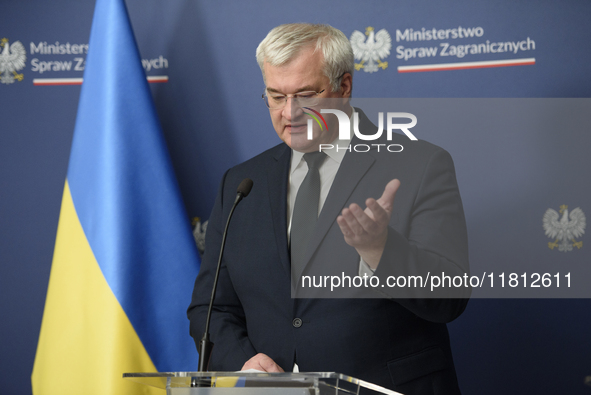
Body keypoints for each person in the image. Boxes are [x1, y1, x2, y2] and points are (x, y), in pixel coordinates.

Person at [188, 23, 469, 395]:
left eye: (306, 94)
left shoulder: (418, 164)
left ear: (344, 87)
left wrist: (379, 250)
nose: (290, 112)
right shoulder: (241, 184)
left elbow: (450, 296)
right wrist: (243, 360)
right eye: (275, 96)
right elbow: (211, 310)